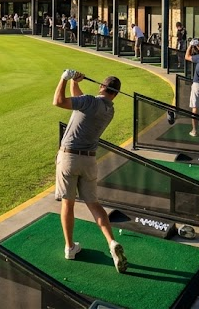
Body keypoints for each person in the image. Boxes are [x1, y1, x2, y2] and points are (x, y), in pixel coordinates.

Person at [53, 69, 128, 272]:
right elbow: (80, 103)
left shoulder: (89, 102)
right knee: (94, 205)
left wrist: (63, 78)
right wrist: (75, 82)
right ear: (115, 94)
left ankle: (70, 248)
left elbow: (58, 102)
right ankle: (112, 242)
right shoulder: (108, 110)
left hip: (69, 158)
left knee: (68, 204)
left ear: (101, 86)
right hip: (89, 162)